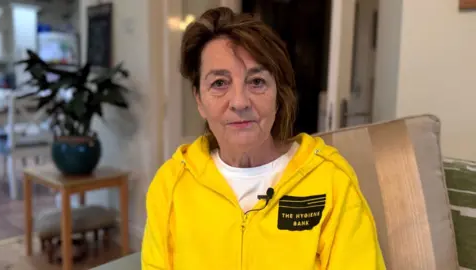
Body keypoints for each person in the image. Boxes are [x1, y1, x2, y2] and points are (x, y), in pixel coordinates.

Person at [142, 6, 385, 270]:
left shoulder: (331, 181)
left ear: (278, 95)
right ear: (199, 100)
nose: (239, 101)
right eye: (219, 83)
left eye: (256, 82)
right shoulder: (170, 185)